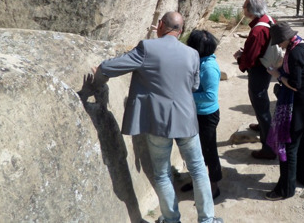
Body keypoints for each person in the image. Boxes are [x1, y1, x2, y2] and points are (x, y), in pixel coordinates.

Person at [89, 12, 222, 223]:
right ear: (181, 30)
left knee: (161, 173)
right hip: (186, 120)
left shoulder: (147, 48)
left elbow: (114, 66)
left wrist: (101, 72)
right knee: (198, 170)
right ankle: (207, 219)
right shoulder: (192, 54)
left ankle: (171, 219)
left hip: (158, 122)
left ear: (160, 25)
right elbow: (195, 86)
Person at [264, 22, 304, 200]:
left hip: (297, 106)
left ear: (285, 39)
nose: (279, 47)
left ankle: (286, 189)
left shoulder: (295, 53)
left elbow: (295, 85)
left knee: (289, 147)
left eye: (279, 43)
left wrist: (278, 75)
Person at [233, 0, 278, 160]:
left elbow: (251, 59)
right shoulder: (267, 19)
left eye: (244, 6)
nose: (243, 9)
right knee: (262, 102)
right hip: (266, 67)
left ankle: (269, 148)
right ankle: (262, 126)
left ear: (250, 11)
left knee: (260, 104)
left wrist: (240, 59)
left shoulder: (257, 30)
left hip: (258, 71)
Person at [180, 30, 222, 200]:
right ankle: (196, 180)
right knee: (192, 149)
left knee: (209, 150)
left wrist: (186, 95)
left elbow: (211, 96)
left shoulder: (209, 67)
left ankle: (214, 185)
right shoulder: (199, 61)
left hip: (206, 116)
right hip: (194, 113)